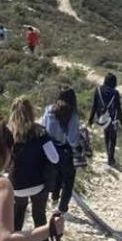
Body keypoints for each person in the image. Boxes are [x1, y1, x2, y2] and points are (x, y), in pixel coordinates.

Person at [7, 97, 60, 241]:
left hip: (17, 186)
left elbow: (4, 162)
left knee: (17, 215)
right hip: (38, 185)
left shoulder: (8, 134)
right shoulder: (40, 133)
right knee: (40, 221)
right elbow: (54, 159)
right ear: (31, 112)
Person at [42, 87, 81, 216]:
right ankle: (62, 208)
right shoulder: (72, 115)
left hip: (50, 150)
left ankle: (54, 198)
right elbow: (73, 139)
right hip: (65, 151)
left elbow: (43, 129)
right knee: (68, 181)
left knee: (56, 174)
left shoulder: (48, 110)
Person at [87, 72, 122, 167]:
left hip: (102, 118)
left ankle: (109, 155)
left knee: (107, 136)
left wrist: (90, 120)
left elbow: (94, 106)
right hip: (112, 118)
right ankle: (111, 158)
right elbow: (118, 107)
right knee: (113, 138)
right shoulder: (115, 93)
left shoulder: (98, 90)